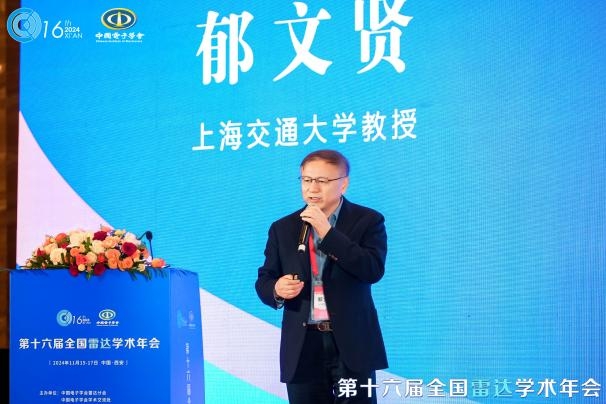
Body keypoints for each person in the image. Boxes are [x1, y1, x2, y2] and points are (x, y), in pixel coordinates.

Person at [255, 149, 388, 404]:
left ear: (344, 184)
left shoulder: (368, 220)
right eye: (306, 180)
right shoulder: (283, 227)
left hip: (351, 342)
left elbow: (372, 269)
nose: (312, 188)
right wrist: (276, 289)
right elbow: (265, 279)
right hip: (303, 344)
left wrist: (327, 233)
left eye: (322, 181)